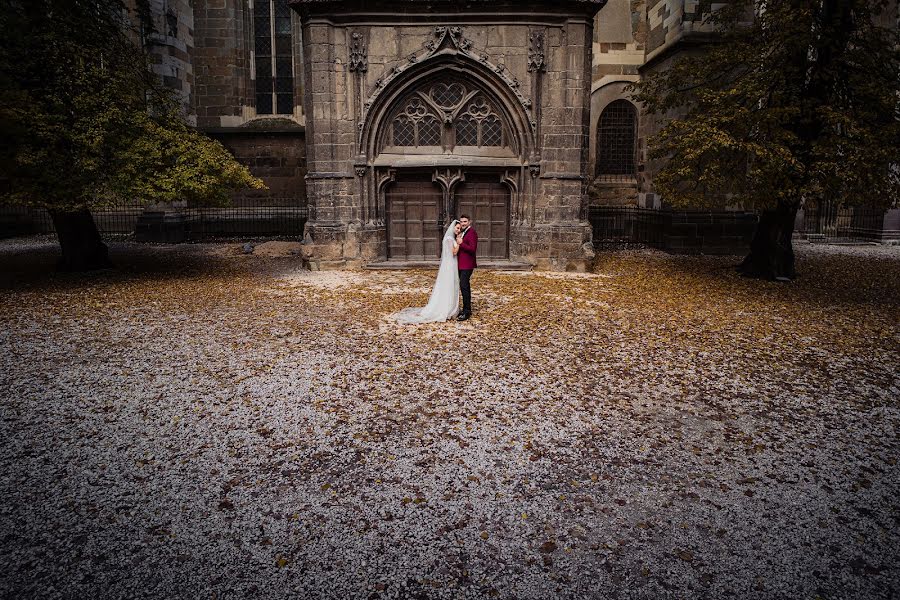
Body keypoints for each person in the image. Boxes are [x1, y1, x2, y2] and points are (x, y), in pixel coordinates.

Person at [392, 220, 462, 323]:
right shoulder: (449, 239)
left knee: (452, 285)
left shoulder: (452, 238)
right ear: (452, 228)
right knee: (448, 285)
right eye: (457, 228)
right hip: (449, 265)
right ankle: (445, 309)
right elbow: (453, 253)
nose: (458, 230)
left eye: (460, 228)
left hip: (452, 264)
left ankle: (451, 308)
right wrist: (459, 243)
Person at [455, 214, 477, 321]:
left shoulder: (472, 232)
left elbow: (472, 249)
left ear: (469, 222)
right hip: (461, 264)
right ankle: (464, 309)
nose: (463, 223)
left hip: (467, 265)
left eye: (465, 221)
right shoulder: (463, 232)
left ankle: (467, 311)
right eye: (461, 221)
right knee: (462, 286)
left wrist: (461, 243)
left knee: (464, 286)